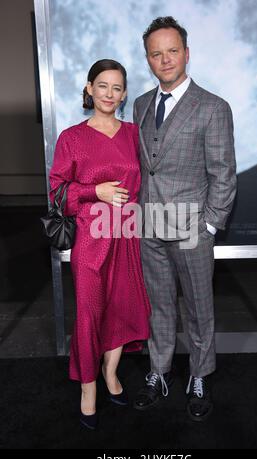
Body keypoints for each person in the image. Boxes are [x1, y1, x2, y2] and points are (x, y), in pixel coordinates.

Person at [133, 17, 237, 421]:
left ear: (186, 53)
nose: (165, 59)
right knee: (158, 307)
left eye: (172, 50)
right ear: (148, 60)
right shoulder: (141, 104)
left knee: (198, 307)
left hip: (193, 228)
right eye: (156, 53)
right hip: (149, 226)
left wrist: (209, 224)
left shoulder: (212, 107)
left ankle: (199, 375)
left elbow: (223, 172)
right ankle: (159, 372)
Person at [49, 59, 150, 430]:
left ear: (124, 94)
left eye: (118, 88)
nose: (110, 94)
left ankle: (110, 373)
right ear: (89, 88)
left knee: (123, 310)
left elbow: (148, 182)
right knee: (90, 313)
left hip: (128, 236)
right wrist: (96, 191)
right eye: (103, 86)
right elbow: (57, 193)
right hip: (91, 241)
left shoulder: (132, 133)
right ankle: (88, 387)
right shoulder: (71, 138)